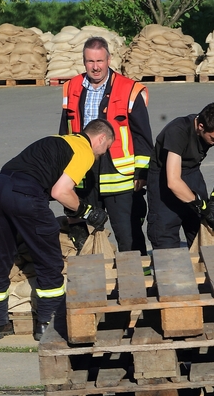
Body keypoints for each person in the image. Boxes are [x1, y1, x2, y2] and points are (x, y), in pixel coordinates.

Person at [0, 121, 115, 340]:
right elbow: (61, 191)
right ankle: (49, 321)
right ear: (101, 138)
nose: (104, 153)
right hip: (25, 194)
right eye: (107, 147)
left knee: (0, 254)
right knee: (48, 258)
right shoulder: (84, 151)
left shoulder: (59, 140)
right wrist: (88, 212)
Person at [59, 37, 153, 253]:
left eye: (100, 61)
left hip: (119, 175)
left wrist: (142, 172)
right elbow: (65, 130)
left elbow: (143, 136)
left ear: (109, 59)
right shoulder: (71, 87)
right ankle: (95, 278)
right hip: (83, 171)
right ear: (84, 61)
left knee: (127, 232)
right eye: (90, 61)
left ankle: (138, 276)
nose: (95, 67)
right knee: (86, 232)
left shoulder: (129, 89)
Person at [146, 104, 214, 250]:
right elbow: (173, 181)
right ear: (200, 126)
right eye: (213, 139)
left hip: (192, 174)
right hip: (164, 178)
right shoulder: (177, 131)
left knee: (201, 236)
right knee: (164, 237)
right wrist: (200, 205)